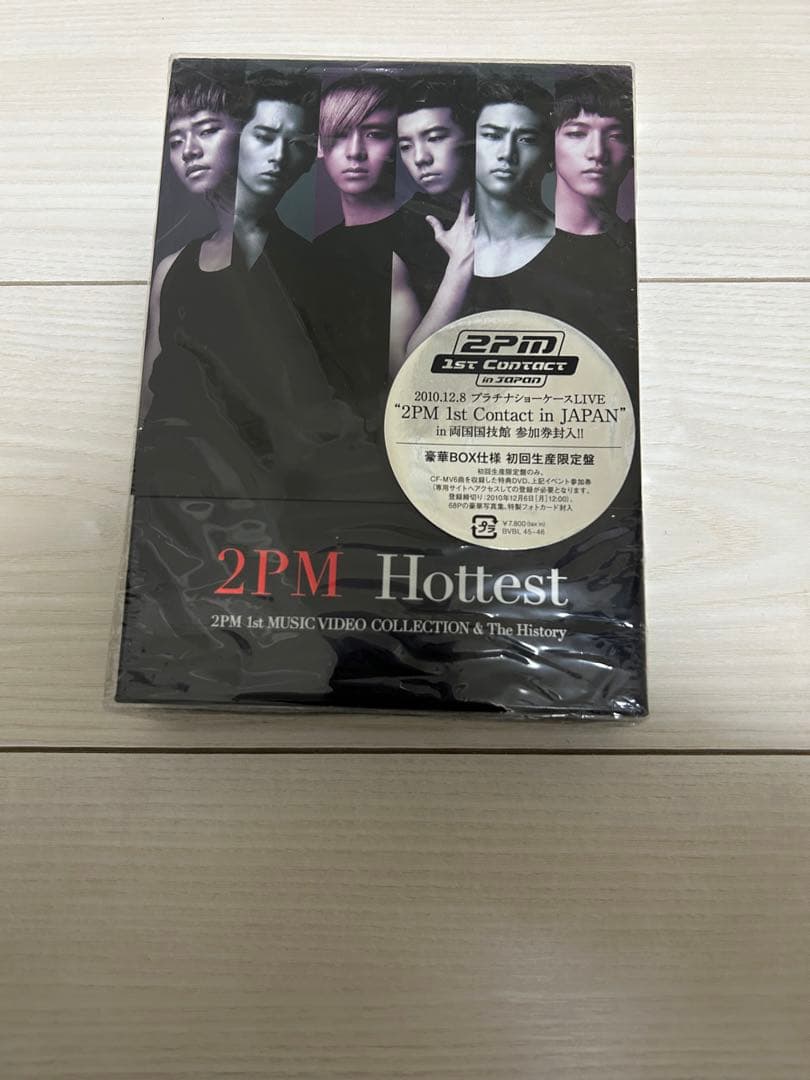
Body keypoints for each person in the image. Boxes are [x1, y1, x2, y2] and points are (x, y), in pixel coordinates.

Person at [139, 61, 243, 418]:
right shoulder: (169, 270)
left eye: (207, 130)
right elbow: (148, 399)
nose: (189, 150)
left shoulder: (296, 259)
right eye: (175, 140)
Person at [313, 74, 402, 431]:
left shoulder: (426, 238)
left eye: (375, 134)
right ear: (320, 146)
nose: (354, 152)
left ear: (397, 143)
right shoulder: (315, 252)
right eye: (338, 135)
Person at [389, 75, 476, 375]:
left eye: (435, 137)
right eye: (405, 146)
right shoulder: (398, 234)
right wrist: (460, 265)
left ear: (470, 138)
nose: (420, 158)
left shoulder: (518, 216)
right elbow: (404, 372)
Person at [472, 76, 555, 280]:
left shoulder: (572, 246)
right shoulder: (441, 245)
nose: (507, 153)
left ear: (550, 155)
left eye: (526, 139)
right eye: (492, 135)